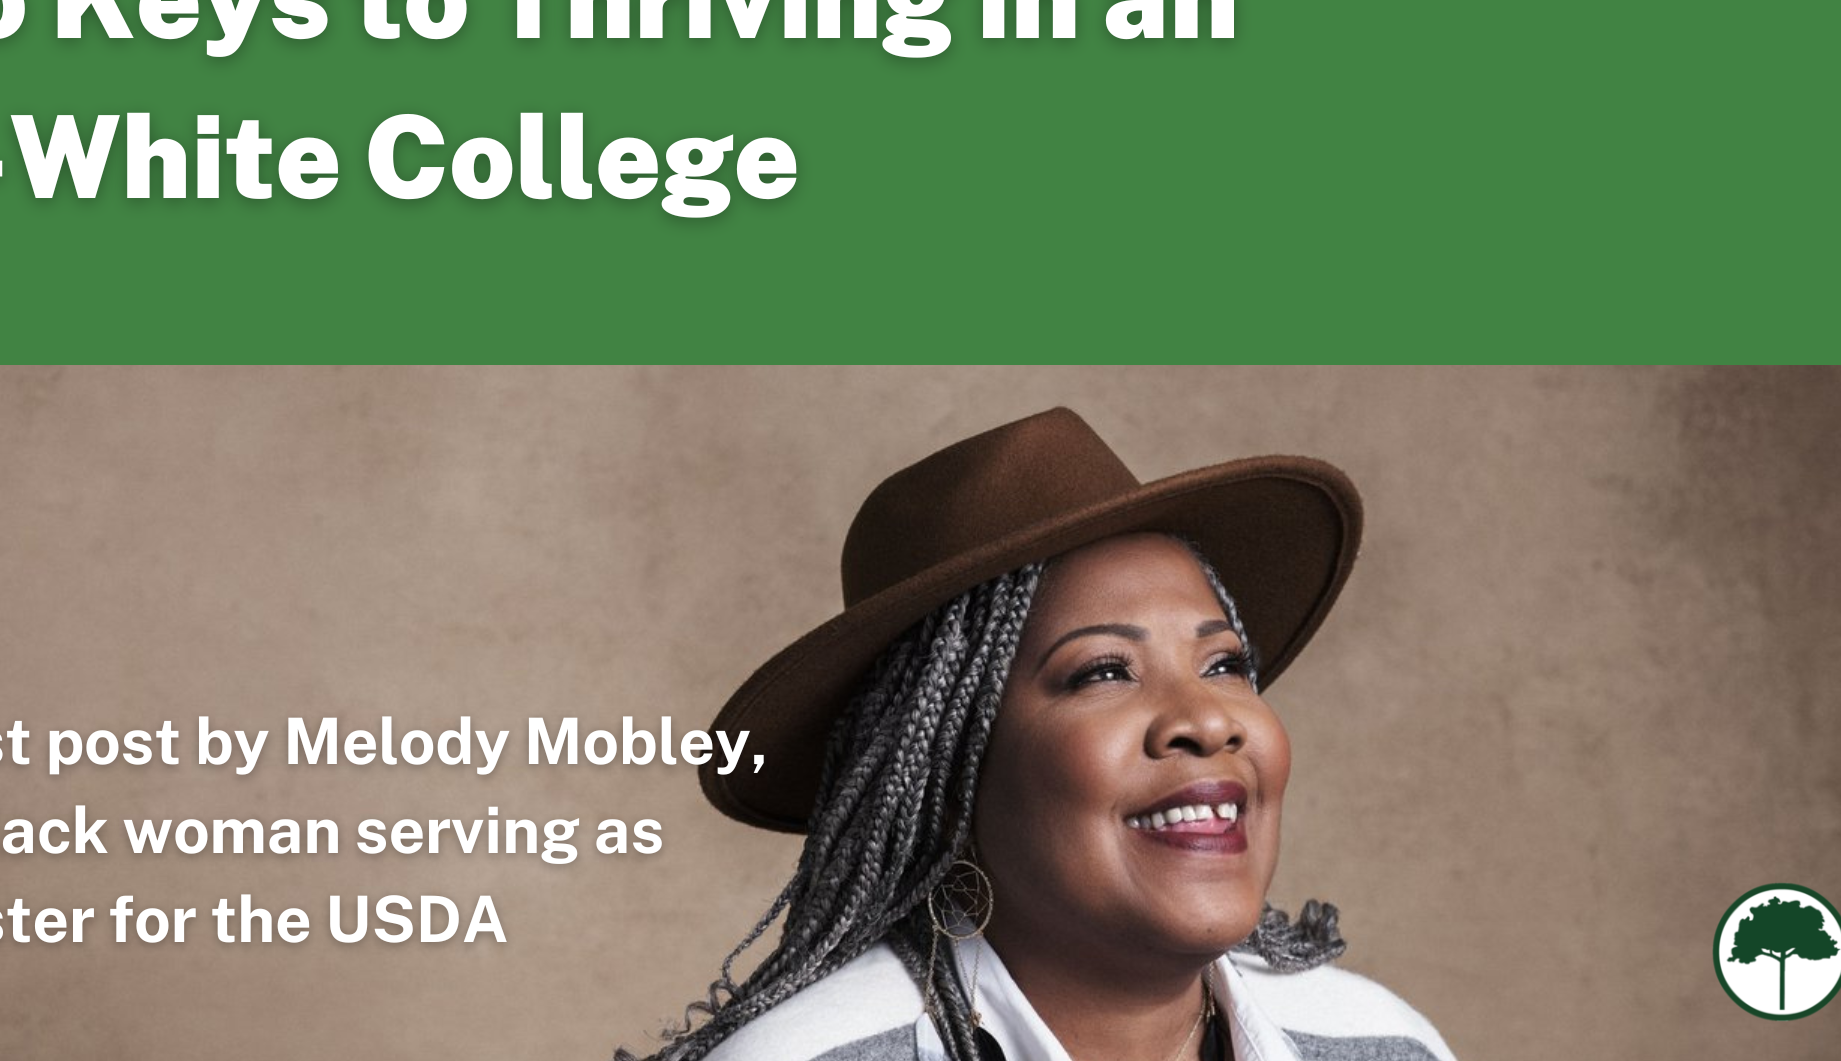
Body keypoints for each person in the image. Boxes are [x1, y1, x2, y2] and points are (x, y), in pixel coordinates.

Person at [621, 408, 1456, 1061]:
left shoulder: (1380, 1042)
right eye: (1102, 672)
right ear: (952, 770)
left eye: (1224, 664)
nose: (1206, 721)